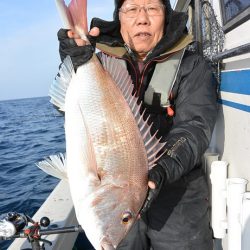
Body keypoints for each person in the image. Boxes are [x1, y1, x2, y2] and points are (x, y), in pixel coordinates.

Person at [56, 0, 218, 249]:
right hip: (122, 197)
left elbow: (195, 127)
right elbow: (64, 111)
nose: (142, 18)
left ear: (166, 16)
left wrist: (163, 169)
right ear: (119, 17)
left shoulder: (192, 65)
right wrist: (71, 60)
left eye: (153, 8)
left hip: (177, 187)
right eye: (132, 9)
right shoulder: (97, 62)